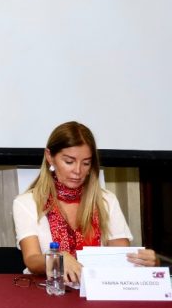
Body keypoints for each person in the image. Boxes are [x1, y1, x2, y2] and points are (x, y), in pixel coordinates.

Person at [13, 121, 159, 284]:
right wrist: (58, 259)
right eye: (69, 162)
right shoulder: (26, 202)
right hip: (46, 289)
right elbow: (32, 259)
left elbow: (121, 257)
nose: (78, 171)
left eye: (86, 163)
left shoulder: (106, 201)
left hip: (98, 289)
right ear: (49, 157)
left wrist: (148, 262)